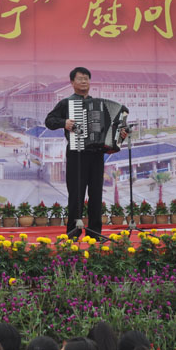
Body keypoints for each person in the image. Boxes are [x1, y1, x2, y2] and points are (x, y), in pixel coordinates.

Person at [45, 67, 126, 239]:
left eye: (86, 78)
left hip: (96, 155)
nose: (84, 81)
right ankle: (73, 233)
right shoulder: (66, 103)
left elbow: (112, 129)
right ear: (72, 82)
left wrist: (120, 135)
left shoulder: (99, 104)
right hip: (76, 154)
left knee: (96, 194)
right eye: (80, 78)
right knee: (76, 195)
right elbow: (49, 121)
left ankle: (95, 233)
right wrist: (64, 123)